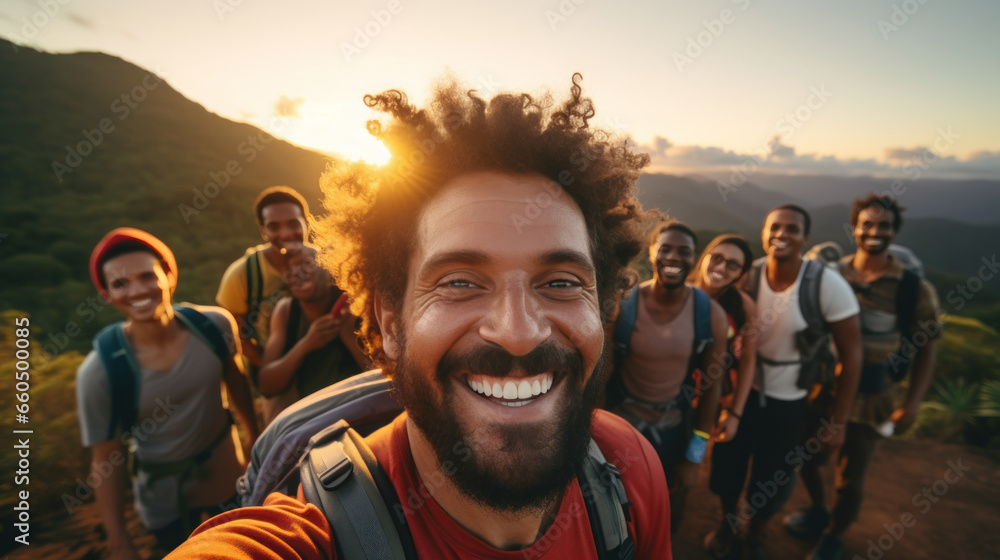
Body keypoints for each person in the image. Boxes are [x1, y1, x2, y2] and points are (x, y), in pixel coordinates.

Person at [166, 74, 672, 559]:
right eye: (459, 283)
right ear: (390, 324)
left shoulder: (627, 467)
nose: (518, 333)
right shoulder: (310, 530)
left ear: (601, 307)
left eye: (561, 282)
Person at [76, 227, 259, 558]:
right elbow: (106, 459)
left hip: (230, 480)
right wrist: (119, 541)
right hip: (164, 503)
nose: (137, 290)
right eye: (120, 283)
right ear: (107, 295)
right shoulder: (98, 373)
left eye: (148, 275)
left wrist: (255, 441)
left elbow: (236, 381)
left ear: (169, 276)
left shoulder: (215, 326)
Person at [786, 195, 941, 560]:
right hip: (822, 387)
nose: (874, 232)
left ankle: (834, 536)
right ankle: (819, 509)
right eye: (867, 224)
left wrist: (913, 405)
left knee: (851, 476)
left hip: (873, 396)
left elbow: (927, 349)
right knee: (805, 457)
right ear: (854, 228)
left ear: (894, 232)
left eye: (883, 225)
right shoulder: (832, 274)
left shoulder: (913, 288)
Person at [705, 205, 862, 560]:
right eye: (774, 227)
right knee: (728, 464)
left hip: (791, 401)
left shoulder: (825, 284)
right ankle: (728, 523)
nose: (782, 234)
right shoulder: (750, 275)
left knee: (773, 476)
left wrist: (837, 423)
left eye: (792, 229)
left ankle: (756, 534)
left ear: (805, 239)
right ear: (763, 233)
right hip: (742, 393)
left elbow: (853, 356)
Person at [606, 221, 728, 536]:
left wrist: (695, 456)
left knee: (670, 512)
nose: (674, 257)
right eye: (666, 249)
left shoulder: (709, 314)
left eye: (684, 251)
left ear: (694, 258)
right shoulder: (624, 305)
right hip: (622, 428)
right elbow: (600, 374)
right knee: (617, 511)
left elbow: (713, 387)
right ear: (651, 253)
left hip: (675, 428)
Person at [215, 186, 312, 423]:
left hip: (329, 368)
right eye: (274, 226)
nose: (286, 233)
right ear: (263, 230)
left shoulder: (326, 263)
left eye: (293, 223)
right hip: (278, 382)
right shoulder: (242, 274)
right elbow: (238, 337)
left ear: (307, 223)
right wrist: (274, 367)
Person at [257, 247, 368, 414]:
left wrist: (348, 334)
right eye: (290, 270)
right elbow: (266, 385)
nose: (298, 273)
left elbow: (382, 377)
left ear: (327, 268)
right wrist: (307, 344)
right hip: (310, 414)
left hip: (358, 407)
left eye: (306, 264)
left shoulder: (353, 303)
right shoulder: (286, 310)